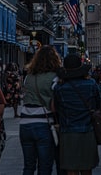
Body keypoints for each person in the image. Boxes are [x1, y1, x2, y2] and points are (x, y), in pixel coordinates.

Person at [54, 54, 101, 175]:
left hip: (68, 132)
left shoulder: (60, 87)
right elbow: (99, 103)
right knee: (87, 168)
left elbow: (56, 108)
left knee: (71, 168)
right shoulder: (91, 84)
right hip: (88, 131)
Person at [19, 45, 62, 175]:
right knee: (44, 166)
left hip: (25, 123)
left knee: (28, 166)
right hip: (44, 123)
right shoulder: (55, 77)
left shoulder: (28, 77)